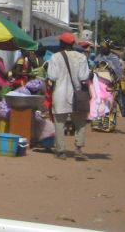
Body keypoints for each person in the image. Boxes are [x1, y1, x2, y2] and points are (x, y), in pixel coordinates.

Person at [45, 32, 92, 161]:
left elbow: (52, 78)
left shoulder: (55, 57)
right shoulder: (81, 57)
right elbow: (83, 78)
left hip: (59, 94)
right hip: (77, 96)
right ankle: (78, 149)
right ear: (72, 43)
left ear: (61, 43)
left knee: (60, 124)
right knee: (80, 123)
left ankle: (61, 151)